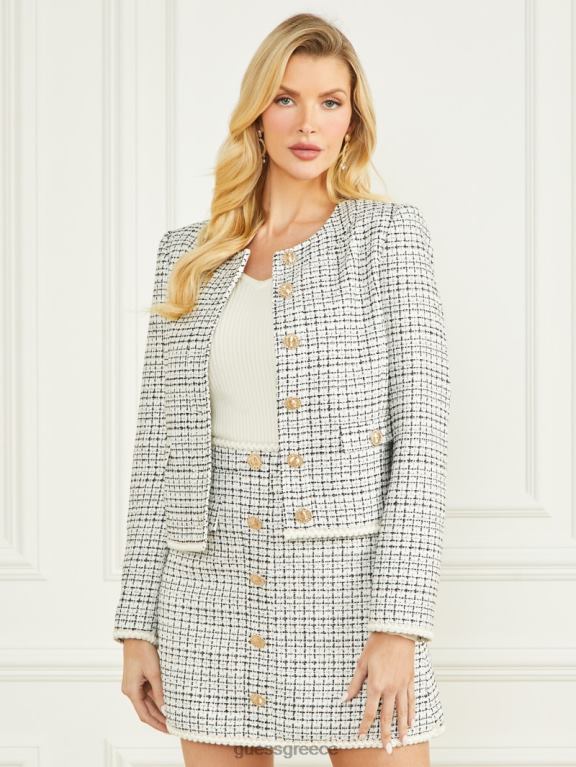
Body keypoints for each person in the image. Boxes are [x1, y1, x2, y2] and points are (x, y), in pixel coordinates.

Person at [113, 12, 450, 767]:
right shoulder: (188, 256)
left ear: (352, 120)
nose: (308, 123)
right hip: (206, 588)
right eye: (286, 99)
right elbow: (157, 452)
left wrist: (399, 624)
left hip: (349, 590)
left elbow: (421, 439)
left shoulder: (386, 239)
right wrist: (138, 623)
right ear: (256, 114)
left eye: (331, 102)